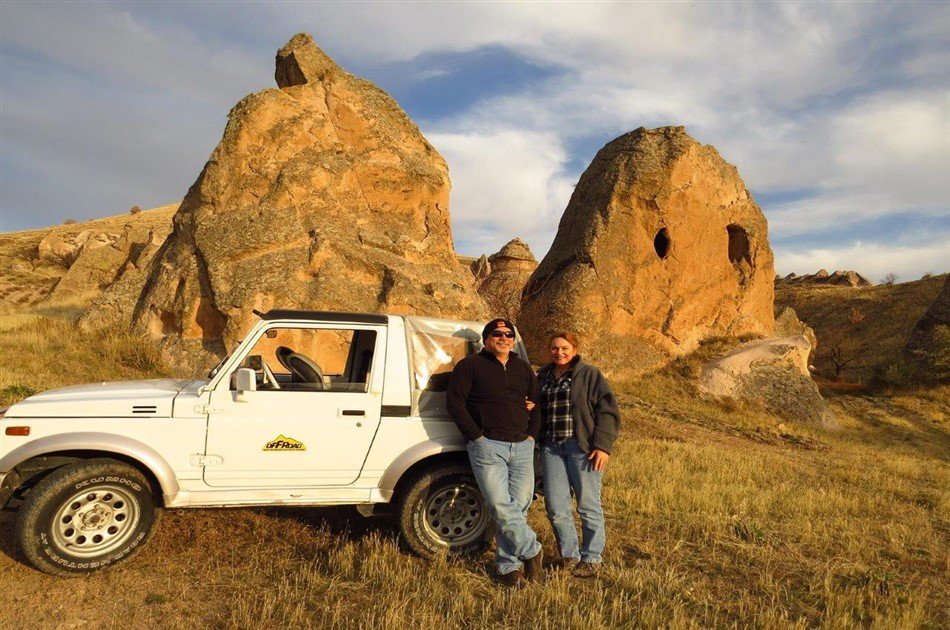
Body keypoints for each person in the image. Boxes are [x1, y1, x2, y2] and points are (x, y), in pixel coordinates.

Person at [447, 318, 544, 586]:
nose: (504, 338)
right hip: (488, 445)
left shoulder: (523, 368)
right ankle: (532, 550)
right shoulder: (470, 366)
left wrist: (531, 437)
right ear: (487, 338)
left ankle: (507, 567)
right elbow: (455, 403)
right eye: (498, 334)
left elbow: (536, 404)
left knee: (519, 507)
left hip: (522, 447)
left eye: (509, 334)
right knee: (500, 505)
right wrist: (476, 436)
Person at [537, 332, 620, 578]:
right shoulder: (542, 376)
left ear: (574, 349)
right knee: (556, 506)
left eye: (564, 348)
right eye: (554, 348)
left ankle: (592, 557)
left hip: (581, 448)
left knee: (588, 505)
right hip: (551, 448)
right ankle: (569, 555)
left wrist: (602, 446)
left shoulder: (589, 375)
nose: (559, 352)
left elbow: (607, 411)